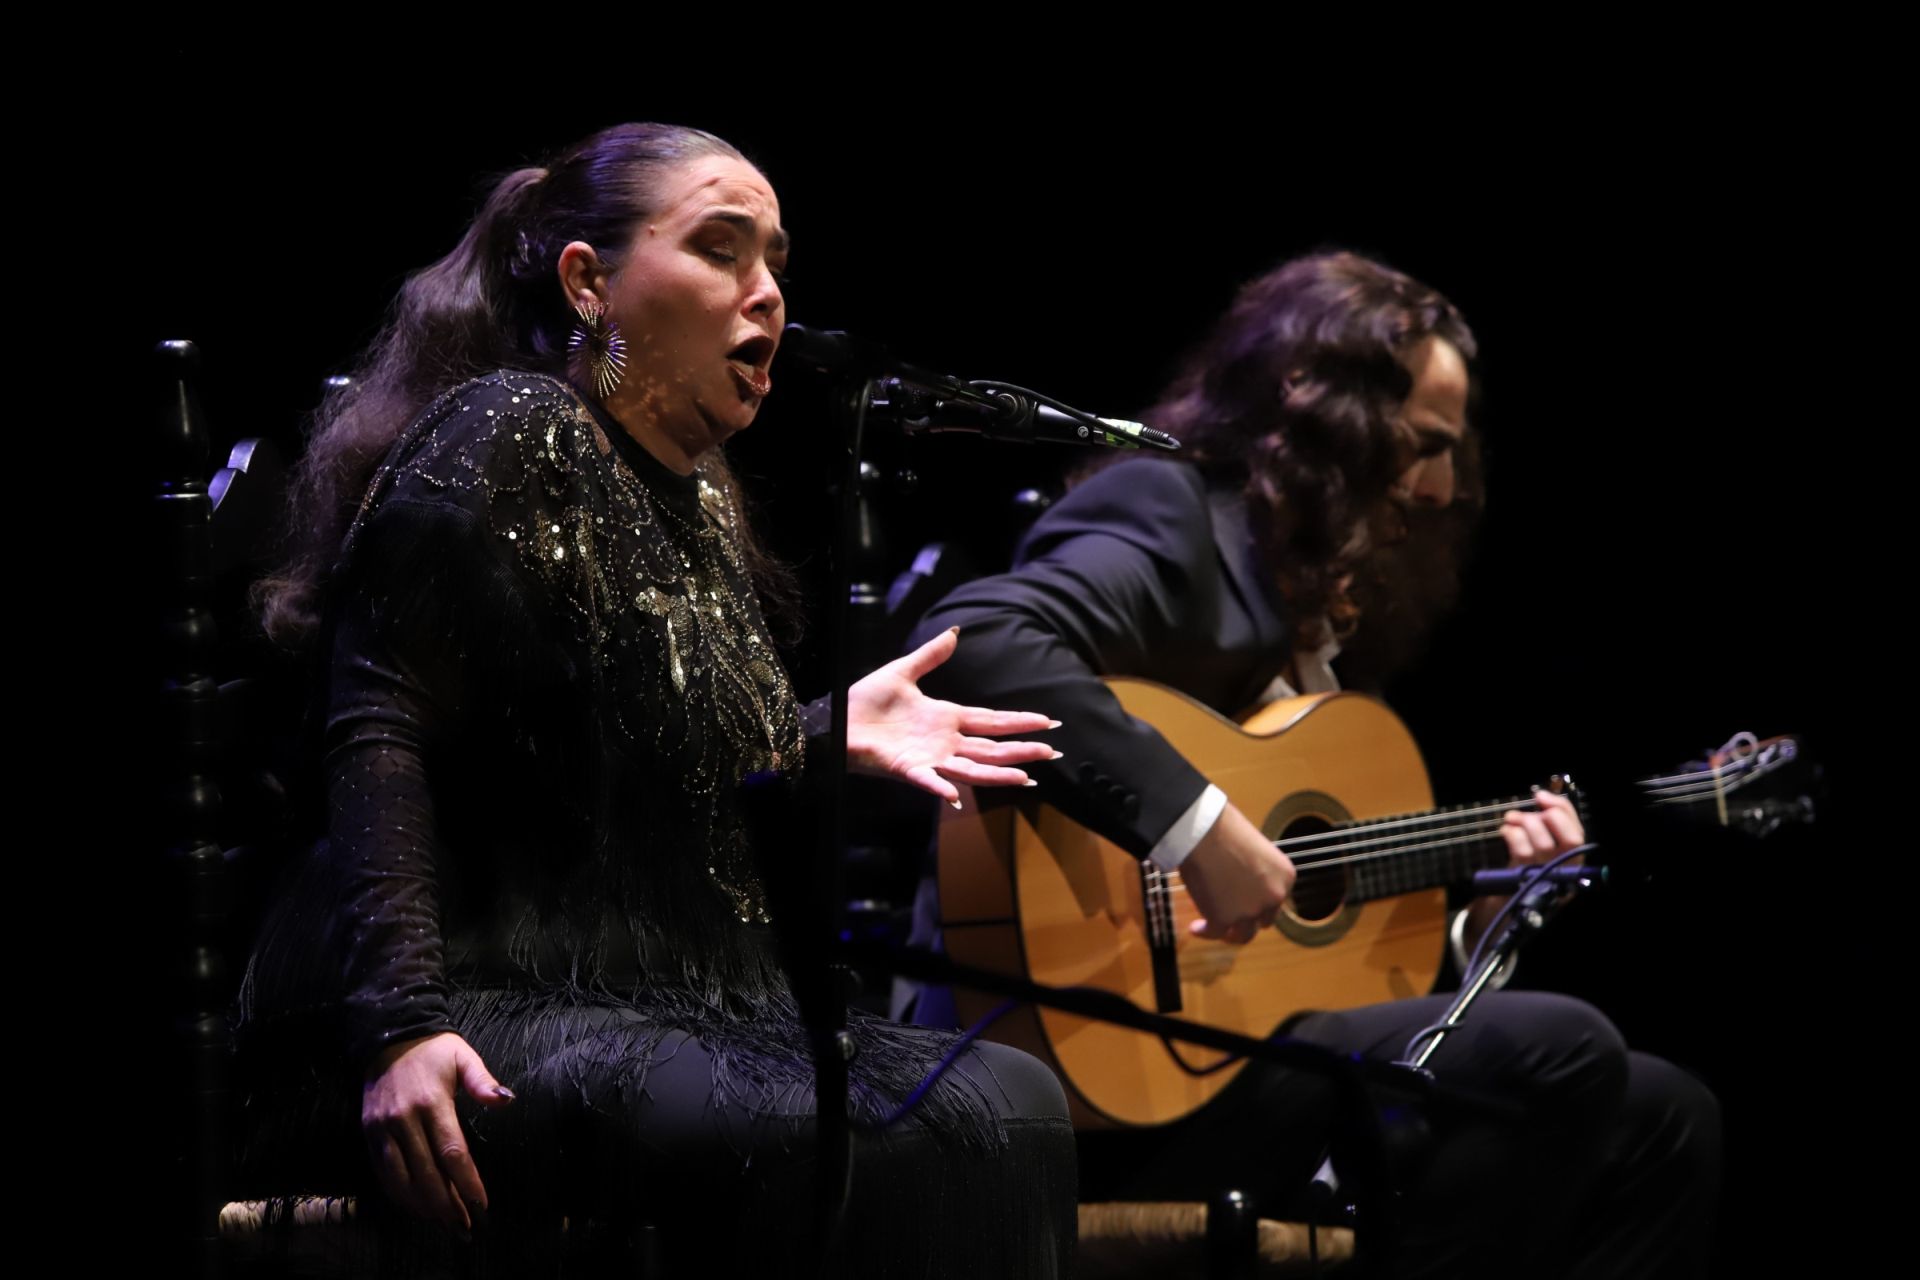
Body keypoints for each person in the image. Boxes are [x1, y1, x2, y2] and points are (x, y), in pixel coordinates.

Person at [235, 122, 1076, 1277]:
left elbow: (649, 757)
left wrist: (818, 732)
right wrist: (400, 1030)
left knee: (1017, 1093)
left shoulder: (701, 501)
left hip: (643, 999)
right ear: (589, 281)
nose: (768, 294)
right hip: (460, 1006)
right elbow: (379, 720)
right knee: (869, 1132)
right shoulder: (509, 429)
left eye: (776, 260)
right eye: (722, 248)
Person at [906, 252, 1721, 1277]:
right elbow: (980, 635)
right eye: (1422, 444)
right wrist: (1197, 827)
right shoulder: (1173, 516)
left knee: (1668, 1114)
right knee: (1560, 1048)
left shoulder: (1322, 629)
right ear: (1316, 403)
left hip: (1234, 1061)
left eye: (1454, 453)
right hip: (1080, 1069)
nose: (1438, 488)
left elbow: (1322, 945)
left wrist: (1482, 919)